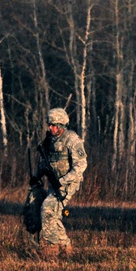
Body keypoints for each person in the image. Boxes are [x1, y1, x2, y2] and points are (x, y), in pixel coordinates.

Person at [23, 107, 87, 257]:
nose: (51, 128)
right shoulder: (49, 141)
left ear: (61, 125)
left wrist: (63, 181)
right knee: (40, 209)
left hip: (68, 184)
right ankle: (64, 247)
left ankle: (54, 247)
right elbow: (45, 162)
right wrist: (36, 176)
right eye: (49, 124)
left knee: (48, 210)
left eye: (54, 125)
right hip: (54, 183)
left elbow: (81, 165)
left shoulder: (72, 140)